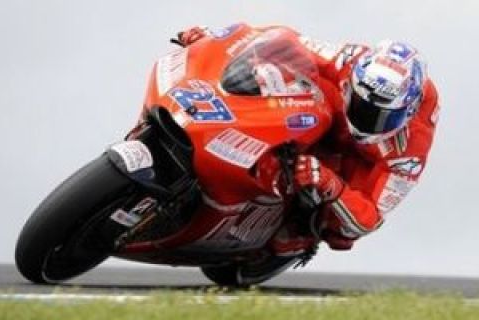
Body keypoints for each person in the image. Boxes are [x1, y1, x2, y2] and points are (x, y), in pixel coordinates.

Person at [175, 24, 439, 261]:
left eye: (383, 116)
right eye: (362, 105)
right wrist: (213, 44)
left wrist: (329, 183)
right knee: (273, 71)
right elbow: (283, 39)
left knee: (344, 231)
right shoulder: (349, 60)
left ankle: (295, 229)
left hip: (358, 160)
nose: (368, 120)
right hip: (324, 116)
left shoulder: (411, 149)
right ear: (352, 84)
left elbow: (369, 219)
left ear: (410, 111)